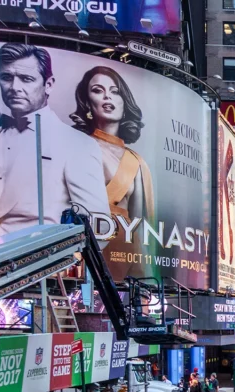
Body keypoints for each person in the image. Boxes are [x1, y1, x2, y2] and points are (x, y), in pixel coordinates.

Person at [0, 43, 110, 240]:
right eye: (7, 77)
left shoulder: (76, 143)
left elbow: (98, 228)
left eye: (26, 79)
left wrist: (63, 265)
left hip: (44, 267)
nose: (15, 88)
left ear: (48, 84)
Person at [69, 65, 155, 278]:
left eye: (115, 91)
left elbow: (141, 229)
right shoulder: (74, 146)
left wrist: (145, 277)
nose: (107, 96)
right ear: (88, 102)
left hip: (124, 259)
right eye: (98, 90)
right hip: (83, 253)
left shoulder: (137, 161)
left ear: (124, 102)